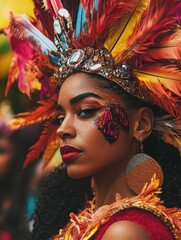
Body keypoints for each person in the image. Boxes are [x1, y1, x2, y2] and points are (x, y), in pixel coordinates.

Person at [4, 0, 181, 239]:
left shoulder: (124, 231)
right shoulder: (94, 218)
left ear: (141, 125)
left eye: (85, 111)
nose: (63, 130)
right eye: (60, 117)